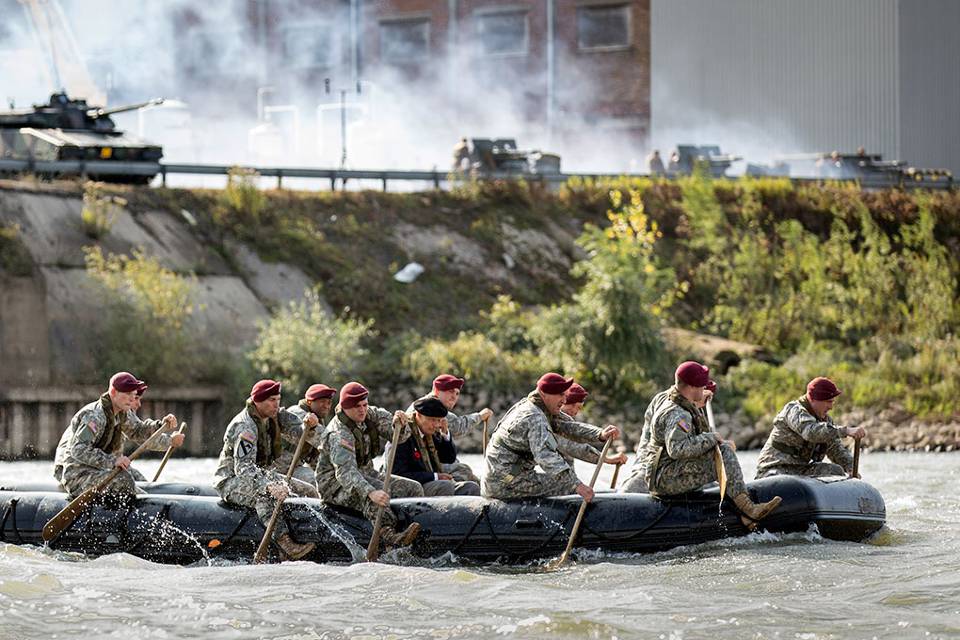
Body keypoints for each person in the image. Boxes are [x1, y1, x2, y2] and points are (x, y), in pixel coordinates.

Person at [636, 361, 781, 530]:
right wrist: (711, 438)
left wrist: (714, 443)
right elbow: (678, 449)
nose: (704, 389)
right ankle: (748, 511)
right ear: (690, 387)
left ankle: (745, 512)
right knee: (725, 454)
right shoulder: (677, 413)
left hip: (667, 471)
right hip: (664, 479)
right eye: (701, 386)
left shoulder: (680, 403)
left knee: (723, 450)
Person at [214, 379, 320, 560]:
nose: (276, 404)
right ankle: (284, 542)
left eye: (278, 399)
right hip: (232, 480)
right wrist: (269, 486)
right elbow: (244, 469)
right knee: (265, 496)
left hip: (262, 474)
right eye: (272, 400)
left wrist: (310, 425)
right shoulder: (244, 427)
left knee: (308, 490)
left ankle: (311, 533)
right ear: (257, 401)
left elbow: (300, 431)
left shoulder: (276, 416)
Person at [314, 382, 423, 550]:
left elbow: (400, 436)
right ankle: (389, 536)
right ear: (344, 407)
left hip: (366, 472)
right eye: (357, 406)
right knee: (376, 494)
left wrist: (400, 424)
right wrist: (370, 492)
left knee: (413, 488)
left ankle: (417, 530)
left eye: (364, 405)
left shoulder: (371, 415)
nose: (362, 410)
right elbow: (345, 473)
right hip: (334, 484)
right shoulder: (338, 433)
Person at [483, 373, 620, 500]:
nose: (564, 399)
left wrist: (599, 434)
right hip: (504, 484)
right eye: (560, 394)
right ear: (544, 393)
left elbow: (568, 427)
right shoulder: (534, 417)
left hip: (507, 478)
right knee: (566, 486)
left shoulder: (536, 406)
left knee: (566, 482)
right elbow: (545, 456)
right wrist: (577, 486)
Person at [53, 372, 184, 499]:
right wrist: (113, 461)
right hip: (77, 475)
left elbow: (139, 432)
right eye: (128, 394)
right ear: (114, 392)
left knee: (137, 477)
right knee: (124, 479)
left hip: (99, 469)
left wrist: (162, 428)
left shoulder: (123, 413)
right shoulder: (93, 417)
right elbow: (78, 449)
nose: (133, 399)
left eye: (133, 394)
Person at [755, 377, 866, 479]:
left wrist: (850, 468)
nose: (831, 407)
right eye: (828, 402)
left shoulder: (825, 420)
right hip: (774, 469)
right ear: (813, 399)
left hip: (799, 471)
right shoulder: (794, 411)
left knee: (835, 471)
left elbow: (836, 449)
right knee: (784, 481)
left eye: (832, 402)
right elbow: (810, 432)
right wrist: (845, 431)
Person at [408, 374, 492, 484]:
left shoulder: (427, 405)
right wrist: (480, 416)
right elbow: (458, 427)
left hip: (426, 460)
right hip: (417, 466)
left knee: (463, 470)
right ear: (436, 391)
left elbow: (448, 456)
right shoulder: (430, 408)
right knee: (463, 472)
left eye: (457, 393)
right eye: (450, 391)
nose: (454, 397)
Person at [393, 396, 480, 496]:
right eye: (432, 420)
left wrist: (445, 433)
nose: (436, 425)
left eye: (439, 420)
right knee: (445, 486)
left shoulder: (431, 433)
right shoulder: (403, 434)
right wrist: (435, 476)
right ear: (418, 415)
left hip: (434, 484)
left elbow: (449, 458)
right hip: (411, 489)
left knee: (471, 488)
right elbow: (399, 474)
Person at [279, 383, 337, 493]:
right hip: (277, 470)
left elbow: (316, 458)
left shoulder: (318, 420)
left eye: (329, 402)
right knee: (312, 483)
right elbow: (325, 441)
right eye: (322, 402)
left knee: (323, 482)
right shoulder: (297, 414)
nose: (327, 406)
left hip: (295, 468)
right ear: (309, 402)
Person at [557, 383, 627, 469]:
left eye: (579, 408)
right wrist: (606, 459)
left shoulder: (567, 421)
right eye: (572, 405)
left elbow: (579, 430)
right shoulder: (548, 418)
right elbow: (571, 446)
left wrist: (601, 434)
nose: (574, 411)